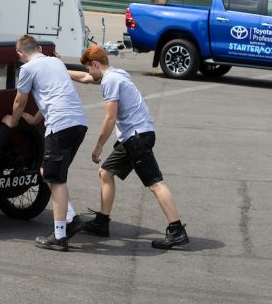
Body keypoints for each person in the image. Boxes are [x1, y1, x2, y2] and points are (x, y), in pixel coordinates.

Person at [68, 45, 189, 250]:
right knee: (106, 172)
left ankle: (176, 230)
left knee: (155, 183)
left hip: (136, 138)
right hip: (137, 135)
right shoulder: (116, 73)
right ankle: (102, 223)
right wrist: (59, 68)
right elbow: (86, 78)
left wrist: (98, 145)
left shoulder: (110, 81)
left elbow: (110, 118)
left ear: (95, 64)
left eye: (89, 67)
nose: (88, 72)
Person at [2, 35, 88, 252]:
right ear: (39, 48)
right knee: (47, 171)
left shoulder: (27, 69)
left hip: (60, 126)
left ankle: (59, 236)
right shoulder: (56, 62)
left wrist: (13, 121)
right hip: (79, 124)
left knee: (56, 180)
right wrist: (36, 119)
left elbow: (19, 101)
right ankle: (71, 218)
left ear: (20, 54)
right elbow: (54, 94)